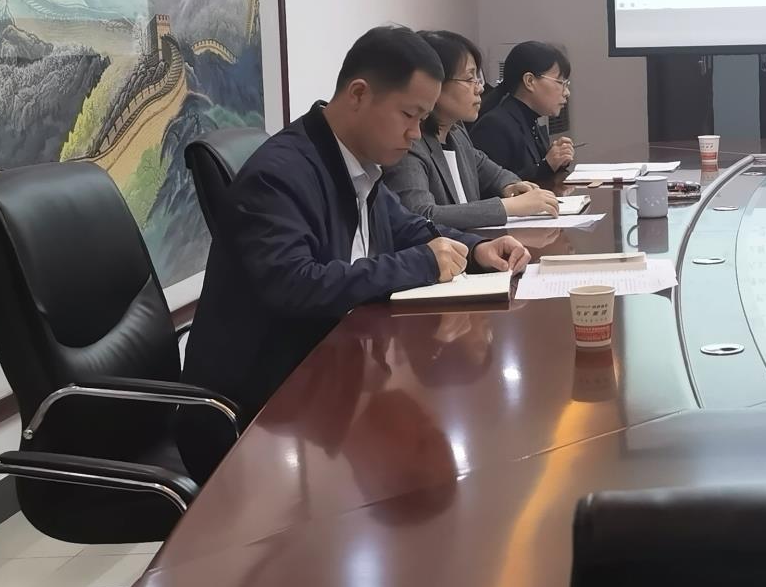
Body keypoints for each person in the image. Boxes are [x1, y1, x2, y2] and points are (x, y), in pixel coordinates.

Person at [182, 26, 532, 425]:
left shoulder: (355, 161)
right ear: (359, 95)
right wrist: (423, 262)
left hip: (336, 375)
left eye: (422, 119)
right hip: (265, 408)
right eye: (409, 115)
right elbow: (296, 285)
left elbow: (406, 226)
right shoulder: (279, 174)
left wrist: (475, 249)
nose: (414, 134)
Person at [386, 30, 562, 230]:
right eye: (470, 79)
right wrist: (507, 207)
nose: (480, 88)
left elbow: (492, 173)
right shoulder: (409, 144)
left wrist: (511, 185)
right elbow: (421, 215)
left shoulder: (456, 133)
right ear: (435, 84)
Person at [470, 41, 575, 186]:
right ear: (529, 81)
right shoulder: (494, 126)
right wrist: (547, 165)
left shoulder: (530, 118)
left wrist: (557, 160)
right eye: (560, 83)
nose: (567, 92)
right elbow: (494, 188)